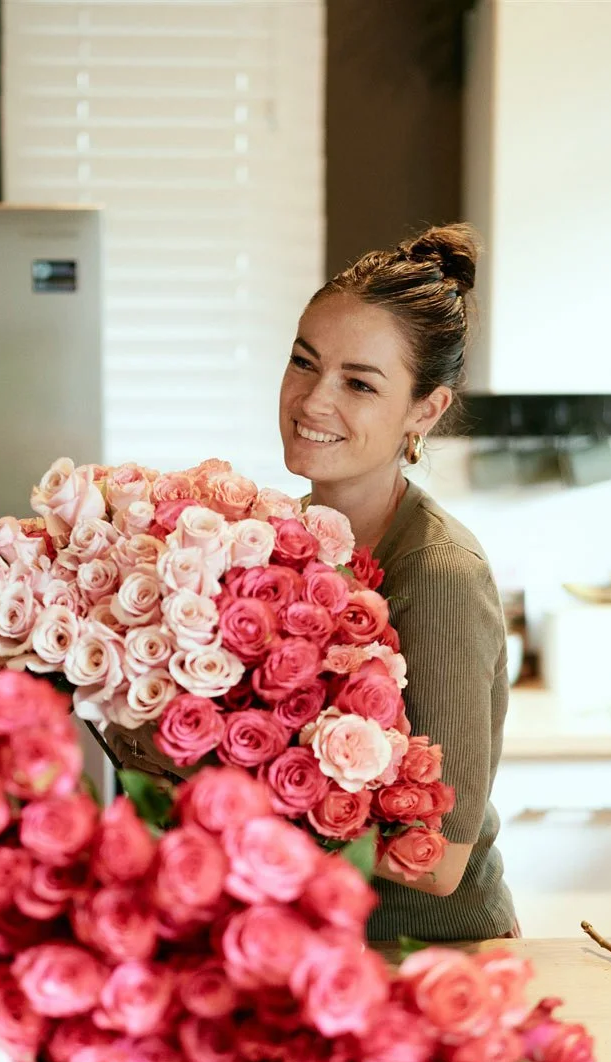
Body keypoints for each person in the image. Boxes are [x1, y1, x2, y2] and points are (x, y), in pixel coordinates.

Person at [107, 222, 517, 942]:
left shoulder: (441, 572)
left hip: (426, 955)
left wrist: (227, 793)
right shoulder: (275, 538)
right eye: (304, 362)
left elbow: (442, 859)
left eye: (359, 382)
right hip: (302, 943)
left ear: (425, 410)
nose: (312, 400)